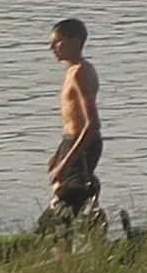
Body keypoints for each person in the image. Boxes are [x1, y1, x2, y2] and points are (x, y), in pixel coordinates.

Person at [41, 16, 104, 228]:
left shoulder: (81, 73)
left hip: (82, 142)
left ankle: (89, 212)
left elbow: (92, 125)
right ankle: (89, 200)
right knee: (60, 190)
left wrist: (66, 162)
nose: (52, 47)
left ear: (74, 41)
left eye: (57, 42)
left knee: (64, 206)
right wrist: (60, 154)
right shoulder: (72, 71)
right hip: (70, 140)